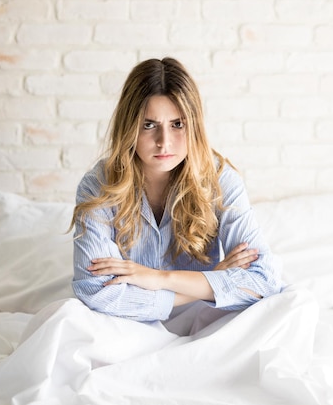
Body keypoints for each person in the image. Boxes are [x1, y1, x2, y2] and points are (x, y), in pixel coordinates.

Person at [70, 57, 282, 324]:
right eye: (149, 125)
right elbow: (96, 293)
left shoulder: (219, 179)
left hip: (202, 324)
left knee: (295, 306)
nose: (164, 142)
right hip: (125, 326)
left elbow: (265, 281)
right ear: (129, 127)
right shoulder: (99, 185)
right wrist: (203, 285)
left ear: (193, 125)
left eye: (177, 124)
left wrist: (159, 279)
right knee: (62, 320)